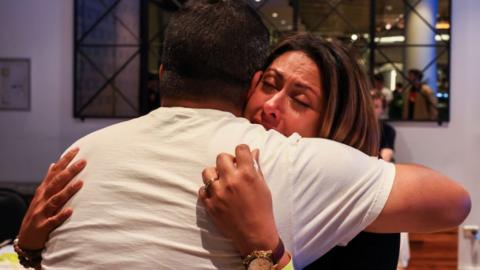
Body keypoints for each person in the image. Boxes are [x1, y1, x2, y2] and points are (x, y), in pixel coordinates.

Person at [16, 1, 470, 270]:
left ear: (334, 126)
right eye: (269, 84)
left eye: (300, 99)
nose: (272, 105)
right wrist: (26, 250)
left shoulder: (350, 209)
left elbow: (453, 201)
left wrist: (264, 245)